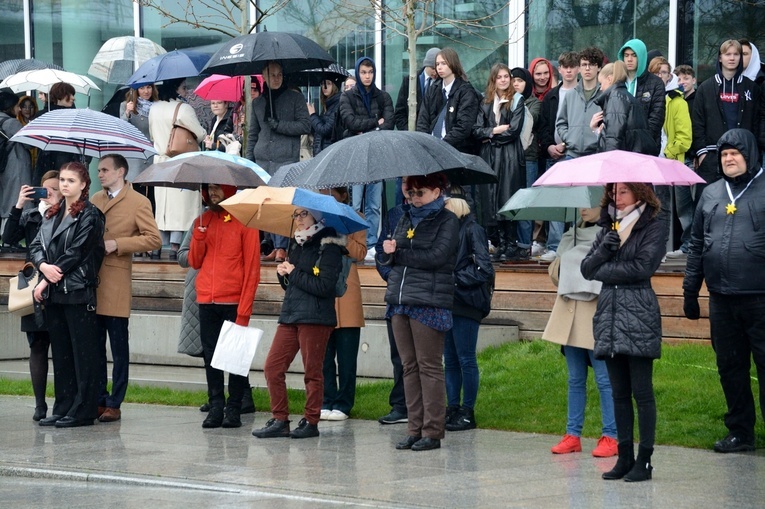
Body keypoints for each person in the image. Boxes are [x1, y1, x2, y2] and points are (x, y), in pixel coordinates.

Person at [683, 128, 765, 454]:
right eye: (724, 154)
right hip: (721, 299)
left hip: (760, 298)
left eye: (735, 153)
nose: (729, 159)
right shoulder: (712, 193)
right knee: (730, 368)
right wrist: (691, 291)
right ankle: (741, 432)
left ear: (750, 154)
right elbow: (697, 245)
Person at [581, 182, 665, 482]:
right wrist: (605, 249)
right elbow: (586, 268)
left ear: (640, 193)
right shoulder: (607, 228)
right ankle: (625, 456)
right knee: (619, 393)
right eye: (614, 192)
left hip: (639, 312)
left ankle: (644, 460)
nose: (617, 197)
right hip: (610, 315)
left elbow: (642, 268)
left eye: (624, 191)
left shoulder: (653, 226)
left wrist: (605, 272)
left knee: (642, 392)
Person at [381, 173, 460, 452]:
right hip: (400, 299)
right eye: (411, 193)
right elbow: (391, 256)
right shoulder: (405, 218)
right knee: (408, 367)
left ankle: (433, 430)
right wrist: (388, 252)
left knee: (428, 367)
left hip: (429, 301)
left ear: (438, 192)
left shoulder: (447, 221)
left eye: (420, 192)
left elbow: (437, 257)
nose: (414, 198)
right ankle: (414, 428)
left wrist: (399, 255)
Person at [252, 208, 345, 439]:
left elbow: (324, 287)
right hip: (291, 314)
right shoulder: (297, 243)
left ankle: (311, 421)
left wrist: (293, 273)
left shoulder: (329, 244)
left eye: (303, 214)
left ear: (316, 215)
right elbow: (290, 285)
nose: (299, 219)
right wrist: (282, 272)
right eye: (296, 215)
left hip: (316, 316)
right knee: (272, 367)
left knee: (313, 372)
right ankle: (280, 419)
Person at [29, 161, 106, 428]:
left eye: (71, 180)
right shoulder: (52, 212)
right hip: (54, 291)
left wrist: (51, 273)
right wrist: (42, 267)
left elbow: (78, 251)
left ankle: (83, 410)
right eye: (62, 179)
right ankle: (63, 406)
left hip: (77, 290)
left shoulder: (91, 215)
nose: (64, 184)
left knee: (83, 353)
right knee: (61, 353)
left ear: (84, 185)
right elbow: (36, 244)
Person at [542, 206, 618, 458]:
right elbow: (555, 275)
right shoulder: (570, 234)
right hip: (568, 315)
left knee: (604, 380)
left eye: (591, 203)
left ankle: (611, 435)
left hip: (596, 314)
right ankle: (572, 434)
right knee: (575, 380)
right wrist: (563, 264)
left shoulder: (611, 234)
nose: (584, 209)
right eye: (582, 204)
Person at [91, 154, 161, 423]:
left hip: (116, 281)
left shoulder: (138, 201)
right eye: (99, 170)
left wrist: (119, 244)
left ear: (121, 171)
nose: (101, 174)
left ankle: (114, 402)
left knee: (119, 348)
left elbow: (154, 239)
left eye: (105, 170)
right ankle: (97, 398)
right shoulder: (95, 199)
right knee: (94, 347)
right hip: (91, 281)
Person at [188, 183, 261, 429]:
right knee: (211, 358)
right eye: (209, 188)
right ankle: (216, 406)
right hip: (207, 300)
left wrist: (245, 309)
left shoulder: (244, 221)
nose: (213, 192)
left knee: (235, 360)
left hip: (233, 301)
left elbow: (252, 269)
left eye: (218, 187)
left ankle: (235, 408)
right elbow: (195, 261)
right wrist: (198, 236)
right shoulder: (204, 219)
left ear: (229, 189)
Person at [2, 171, 60, 420]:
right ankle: (39, 405)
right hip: (34, 287)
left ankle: (63, 403)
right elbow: (8, 238)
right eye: (44, 189)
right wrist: (18, 205)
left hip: (58, 284)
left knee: (61, 349)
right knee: (37, 346)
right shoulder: (32, 215)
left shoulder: (69, 216)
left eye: (54, 189)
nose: (48, 194)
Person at [246, 61, 311, 262]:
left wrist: (280, 125)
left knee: (282, 204)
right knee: (266, 205)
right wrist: (249, 162)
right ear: (264, 76)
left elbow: (305, 125)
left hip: (285, 160)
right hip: (263, 160)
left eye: (279, 74)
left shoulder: (295, 98)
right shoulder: (258, 103)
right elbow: (253, 134)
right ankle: (273, 245)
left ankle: (282, 247)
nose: (276, 78)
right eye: (272, 75)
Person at [443, 196, 494, 432]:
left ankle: (467, 410)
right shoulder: (449, 231)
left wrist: (454, 281)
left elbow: (484, 268)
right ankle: (452, 407)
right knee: (451, 360)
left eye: (446, 206)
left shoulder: (473, 229)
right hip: (448, 301)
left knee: (465, 358)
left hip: (467, 301)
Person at [338, 56, 394, 261]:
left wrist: (369, 128)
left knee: (373, 204)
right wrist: (374, 123)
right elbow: (350, 122)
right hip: (355, 154)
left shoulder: (383, 97)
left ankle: (370, 243)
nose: (367, 76)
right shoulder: (348, 97)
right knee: (354, 202)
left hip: (377, 154)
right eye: (363, 72)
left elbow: (388, 123)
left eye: (370, 72)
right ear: (357, 73)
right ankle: (353, 243)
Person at [692, 39, 764, 196]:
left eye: (736, 54)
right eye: (727, 54)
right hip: (712, 157)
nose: (732, 58)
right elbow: (697, 122)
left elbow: (758, 122)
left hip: (743, 158)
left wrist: (755, 152)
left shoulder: (751, 88)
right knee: (709, 206)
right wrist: (702, 153)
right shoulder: (705, 88)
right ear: (720, 58)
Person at [472, 63, 526, 262]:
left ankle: (510, 243)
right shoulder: (485, 102)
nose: (504, 80)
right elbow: (477, 130)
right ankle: (498, 243)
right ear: (493, 79)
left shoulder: (517, 101)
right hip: (489, 156)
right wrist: (494, 131)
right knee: (489, 200)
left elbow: (513, 130)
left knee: (507, 197)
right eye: (500, 77)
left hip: (509, 155)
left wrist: (490, 136)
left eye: (506, 76)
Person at [321, 187, 367, 421]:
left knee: (347, 358)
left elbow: (360, 252)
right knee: (324, 356)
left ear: (342, 195)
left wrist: (340, 236)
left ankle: (344, 403)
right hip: (322, 293)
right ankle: (326, 399)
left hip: (347, 294)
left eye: (330, 193)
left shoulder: (355, 218)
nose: (325, 195)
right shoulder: (315, 217)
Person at [149, 78, 206, 260]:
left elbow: (152, 135)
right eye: (183, 87)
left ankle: (158, 245)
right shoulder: (184, 108)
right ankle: (176, 246)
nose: (186, 91)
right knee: (182, 207)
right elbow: (200, 133)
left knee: (164, 207)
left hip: (160, 161)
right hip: (181, 160)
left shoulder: (154, 108)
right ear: (176, 88)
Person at [535, 52, 580, 262]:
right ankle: (554, 245)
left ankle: (577, 245)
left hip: (579, 154)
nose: (569, 71)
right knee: (555, 200)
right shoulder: (552, 96)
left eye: (573, 67)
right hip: (554, 156)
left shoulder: (585, 94)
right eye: (565, 67)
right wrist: (550, 146)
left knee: (578, 203)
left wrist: (568, 143)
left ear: (578, 69)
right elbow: (543, 127)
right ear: (559, 69)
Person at [374, 182, 409, 425]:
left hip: (420, 295)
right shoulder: (395, 213)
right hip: (396, 294)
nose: (409, 189)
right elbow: (379, 251)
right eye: (406, 184)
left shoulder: (438, 216)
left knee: (419, 359)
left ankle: (420, 405)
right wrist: (390, 274)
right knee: (398, 355)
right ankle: (400, 404)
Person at [416, 48, 480, 154]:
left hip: (456, 150)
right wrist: (426, 143)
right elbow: (423, 120)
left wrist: (442, 145)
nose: (439, 67)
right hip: (430, 148)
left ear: (453, 64)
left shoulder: (466, 91)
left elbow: (464, 126)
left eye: (443, 63)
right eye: (437, 64)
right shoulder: (434, 88)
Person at [590, 61, 654, 154]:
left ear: (609, 79)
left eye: (601, 83)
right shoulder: (625, 96)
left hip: (621, 159)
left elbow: (614, 136)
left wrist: (610, 161)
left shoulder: (616, 98)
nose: (600, 88)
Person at [617, 39, 666, 155]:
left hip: (646, 149)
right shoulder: (617, 81)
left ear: (642, 57)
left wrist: (639, 144)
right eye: (626, 55)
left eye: (634, 55)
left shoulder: (656, 83)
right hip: (620, 148)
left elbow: (656, 118)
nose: (629, 59)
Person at [33, 82, 87, 186]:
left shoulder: (76, 116)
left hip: (70, 162)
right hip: (47, 163)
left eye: (73, 95)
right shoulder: (43, 116)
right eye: (69, 95)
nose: (73, 98)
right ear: (60, 95)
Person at [0, 91, 33, 232]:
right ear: (9, 106)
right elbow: (30, 143)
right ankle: (11, 234)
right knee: (17, 199)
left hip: (4, 168)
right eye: (17, 106)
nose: (19, 109)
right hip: (15, 168)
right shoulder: (11, 123)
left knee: (6, 200)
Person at [394, 47, 440, 131]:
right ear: (426, 65)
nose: (436, 72)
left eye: (438, 68)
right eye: (433, 68)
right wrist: (408, 132)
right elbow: (400, 112)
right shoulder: (409, 81)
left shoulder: (442, 83)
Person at [120, 84, 158, 183]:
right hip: (136, 155)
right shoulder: (126, 105)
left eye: (149, 87)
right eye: (142, 88)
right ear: (135, 90)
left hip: (153, 154)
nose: (146, 91)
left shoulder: (158, 106)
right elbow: (122, 128)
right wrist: (128, 112)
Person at [308, 77, 343, 156]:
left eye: (328, 83)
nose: (324, 87)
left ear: (335, 86)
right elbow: (317, 132)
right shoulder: (327, 106)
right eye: (323, 84)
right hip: (322, 151)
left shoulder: (338, 105)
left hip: (329, 152)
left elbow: (326, 130)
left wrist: (313, 115)